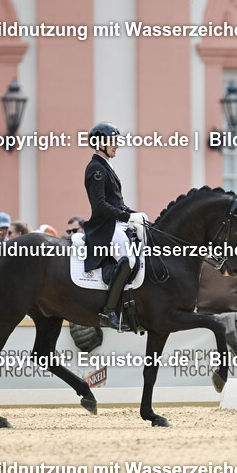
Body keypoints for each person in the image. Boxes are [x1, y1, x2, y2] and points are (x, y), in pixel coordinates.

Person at [83, 121, 142, 330]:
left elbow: (117, 202)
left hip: (118, 224)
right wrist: (125, 218)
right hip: (107, 228)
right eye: (113, 141)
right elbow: (100, 206)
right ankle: (109, 312)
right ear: (100, 143)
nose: (116, 145)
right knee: (129, 260)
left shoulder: (105, 166)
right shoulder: (96, 168)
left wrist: (136, 215)